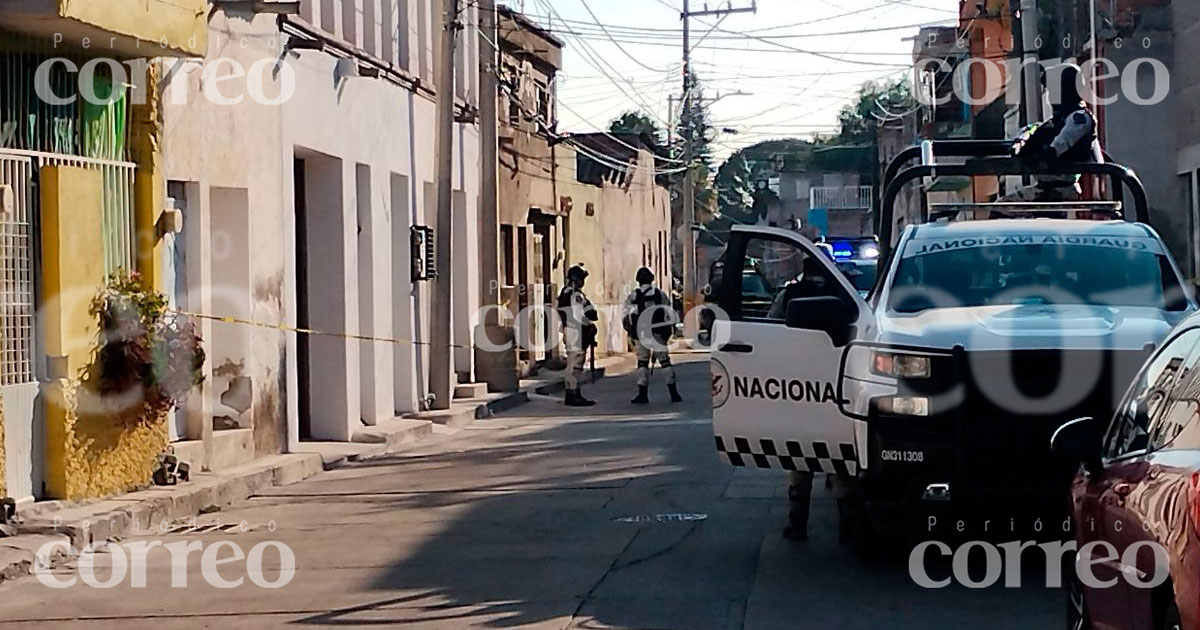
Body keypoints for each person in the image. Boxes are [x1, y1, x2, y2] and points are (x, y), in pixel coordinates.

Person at [1009, 63, 1103, 201]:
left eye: (1053, 91)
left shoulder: (1079, 118)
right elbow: (1031, 131)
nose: (1050, 97)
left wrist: (1049, 152)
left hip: (1061, 190)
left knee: (1000, 210)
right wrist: (1021, 142)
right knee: (1000, 208)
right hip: (1045, 187)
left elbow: (1065, 139)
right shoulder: (1053, 123)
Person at [623, 267, 681, 405]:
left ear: (638, 281)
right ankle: (674, 393)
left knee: (642, 363)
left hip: (641, 334)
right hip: (658, 333)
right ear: (652, 279)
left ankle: (642, 395)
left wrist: (631, 332)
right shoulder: (660, 294)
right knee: (665, 363)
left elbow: (627, 317)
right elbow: (669, 314)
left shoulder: (634, 296)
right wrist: (667, 333)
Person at [557, 264, 599, 407]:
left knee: (572, 363)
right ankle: (573, 393)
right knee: (576, 364)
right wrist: (590, 324)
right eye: (582, 278)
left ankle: (572, 392)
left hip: (569, 330)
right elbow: (578, 315)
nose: (583, 282)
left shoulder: (565, 293)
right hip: (576, 330)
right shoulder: (575, 295)